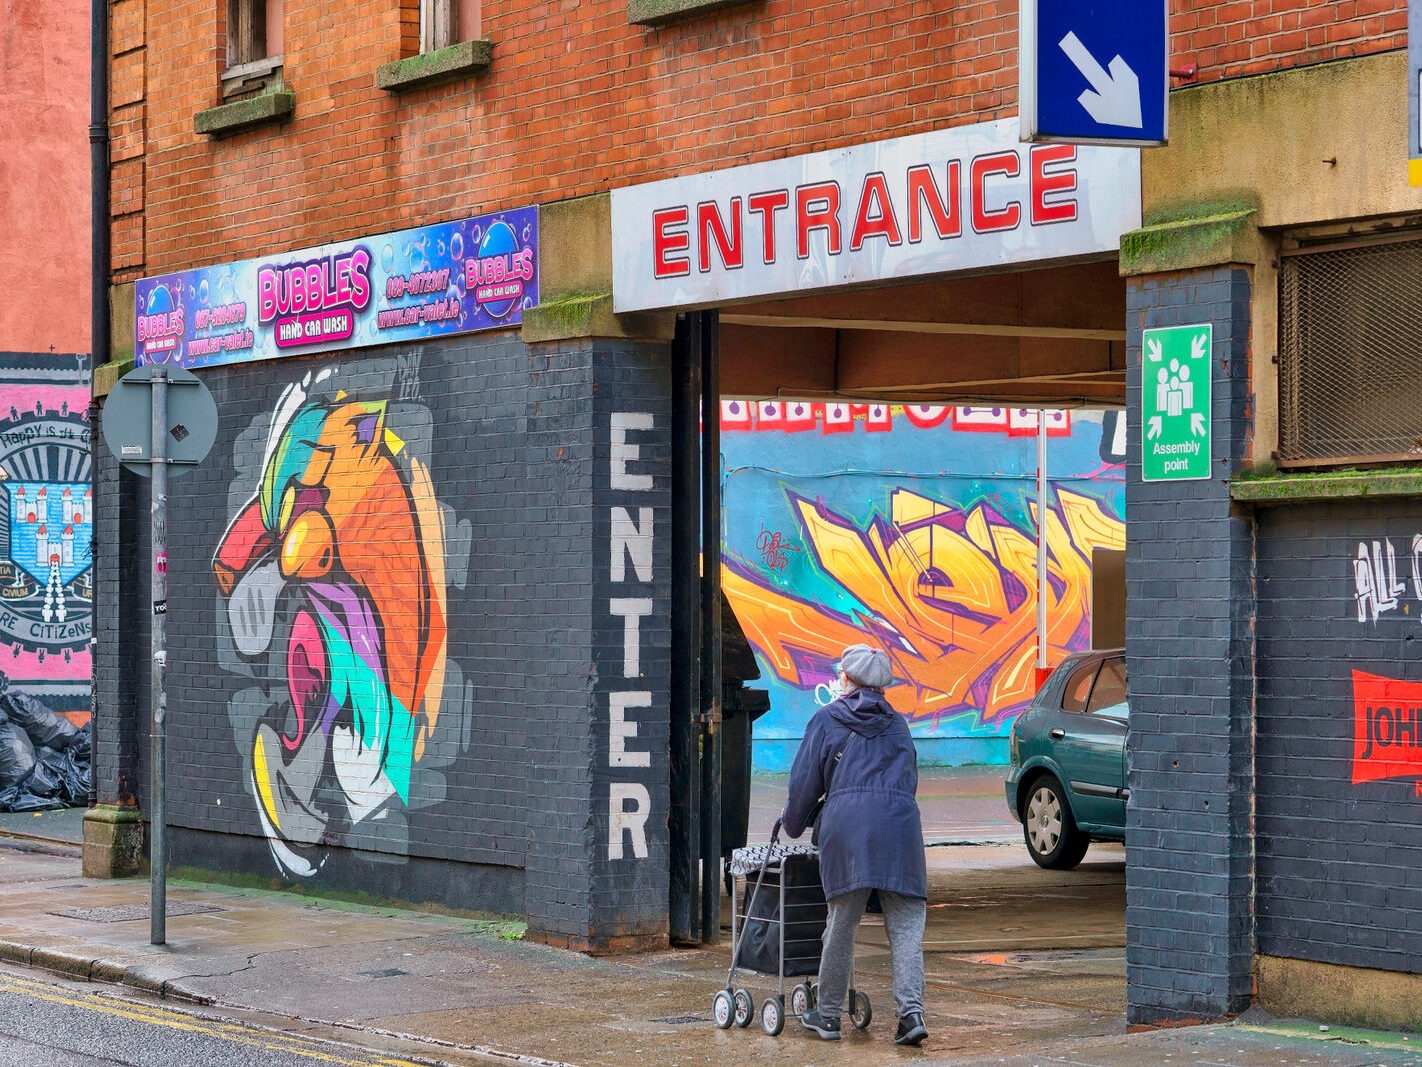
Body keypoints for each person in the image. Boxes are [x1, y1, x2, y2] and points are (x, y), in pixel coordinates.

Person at [782, 643, 929, 1046]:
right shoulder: (898, 725)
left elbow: (803, 784)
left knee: (842, 924)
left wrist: (793, 824)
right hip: (900, 832)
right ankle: (910, 1015)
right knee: (906, 926)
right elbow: (909, 779)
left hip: (847, 832)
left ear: (847, 679)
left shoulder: (827, 720)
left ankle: (827, 1016)